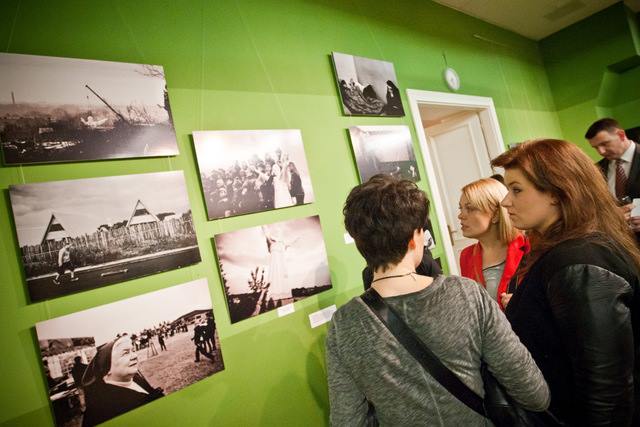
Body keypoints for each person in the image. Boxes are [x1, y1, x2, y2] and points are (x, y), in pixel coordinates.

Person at [326, 174, 549, 425]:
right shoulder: (467, 294)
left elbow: (348, 421)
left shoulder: (343, 324)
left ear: (359, 241)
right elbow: (534, 394)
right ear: (415, 237)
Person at [492, 138, 640, 426]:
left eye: (516, 190)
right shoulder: (568, 249)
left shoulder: (577, 263)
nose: (505, 201)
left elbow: (606, 391)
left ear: (558, 193)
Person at [458, 178, 527, 310]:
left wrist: (524, 304)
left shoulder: (529, 247)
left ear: (495, 214)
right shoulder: (466, 256)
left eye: (470, 208)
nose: (460, 216)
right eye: (460, 208)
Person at [81, 335, 163, 426]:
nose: (135, 355)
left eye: (133, 351)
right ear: (107, 369)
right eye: (125, 353)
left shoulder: (136, 378)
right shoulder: (102, 409)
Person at [586, 117, 640, 238]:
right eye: (595, 147)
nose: (601, 151)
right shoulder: (597, 169)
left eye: (605, 144)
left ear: (621, 135)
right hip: (622, 241)